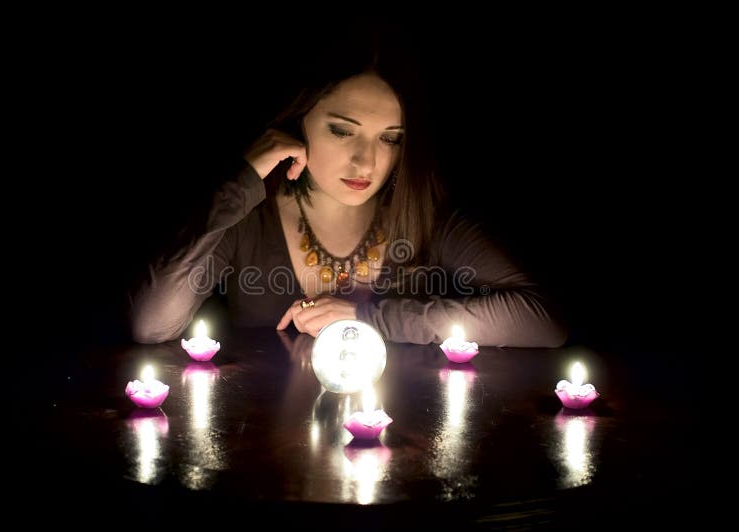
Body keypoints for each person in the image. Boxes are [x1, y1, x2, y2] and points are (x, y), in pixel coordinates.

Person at [129, 35, 567, 348]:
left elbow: (543, 320)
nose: (366, 163)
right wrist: (240, 184)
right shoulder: (246, 212)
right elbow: (151, 324)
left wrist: (369, 319)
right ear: (299, 119)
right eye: (342, 131)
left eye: (390, 138)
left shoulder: (425, 216)